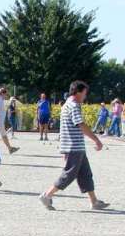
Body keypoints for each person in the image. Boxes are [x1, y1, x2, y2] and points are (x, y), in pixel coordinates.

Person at [39, 81, 109, 211]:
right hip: (74, 146)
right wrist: (96, 140)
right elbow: (80, 124)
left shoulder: (67, 104)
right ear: (77, 92)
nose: (85, 96)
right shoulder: (74, 105)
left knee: (86, 174)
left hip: (75, 146)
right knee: (69, 174)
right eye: (84, 93)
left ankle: (94, 201)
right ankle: (47, 195)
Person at [0, 87, 19, 154]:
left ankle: (10, 148)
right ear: (2, 93)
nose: (5, 96)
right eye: (5, 95)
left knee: (3, 135)